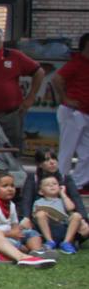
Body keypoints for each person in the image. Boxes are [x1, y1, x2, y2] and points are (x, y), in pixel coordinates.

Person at [50, 31, 89, 195]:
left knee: (87, 152)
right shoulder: (77, 62)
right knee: (67, 150)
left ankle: (79, 183)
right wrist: (65, 98)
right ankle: (60, 182)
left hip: (85, 112)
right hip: (73, 112)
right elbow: (56, 79)